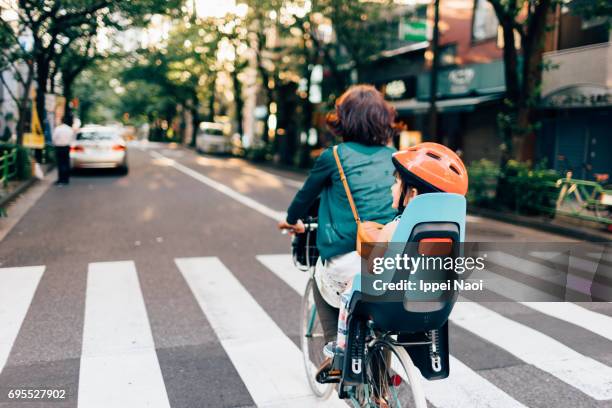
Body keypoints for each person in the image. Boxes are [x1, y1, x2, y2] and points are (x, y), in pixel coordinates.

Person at [319, 142, 469, 383]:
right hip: (435, 310)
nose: (392, 187)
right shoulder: (452, 229)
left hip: (388, 308)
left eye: (397, 181)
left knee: (351, 290)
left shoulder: (393, 228)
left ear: (412, 194)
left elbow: (374, 269)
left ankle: (341, 348)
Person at [278, 84, 400, 371]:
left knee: (320, 275)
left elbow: (304, 198)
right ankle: (381, 388)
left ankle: (336, 351)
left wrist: (292, 220)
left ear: (343, 119)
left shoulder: (332, 156)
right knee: (378, 310)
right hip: (393, 258)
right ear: (383, 119)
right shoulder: (394, 155)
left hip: (351, 260)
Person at [52, 120, 75, 185]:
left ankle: (60, 179)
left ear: (61, 121)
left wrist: (55, 144)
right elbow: (72, 139)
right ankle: (66, 179)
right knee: (66, 163)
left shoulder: (58, 129)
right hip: (67, 147)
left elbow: (53, 138)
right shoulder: (69, 129)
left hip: (59, 147)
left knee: (60, 163)